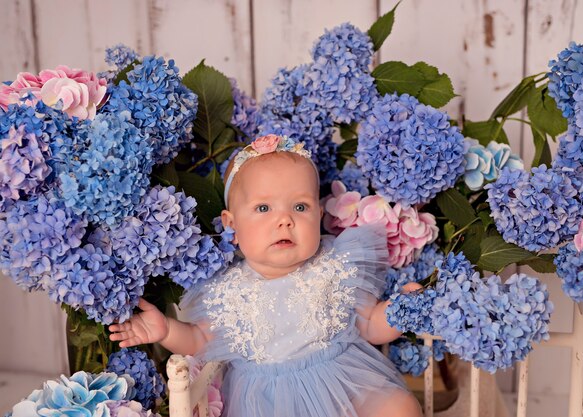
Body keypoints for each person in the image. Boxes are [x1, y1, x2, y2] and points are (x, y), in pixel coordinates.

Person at [109, 134, 423, 417]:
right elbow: (201, 339)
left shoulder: (335, 264)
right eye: (263, 209)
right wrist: (166, 330)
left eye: (300, 207)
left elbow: (368, 325)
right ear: (231, 225)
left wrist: (400, 311)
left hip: (343, 381)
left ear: (320, 215)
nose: (284, 220)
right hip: (268, 401)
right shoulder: (229, 290)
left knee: (400, 408)